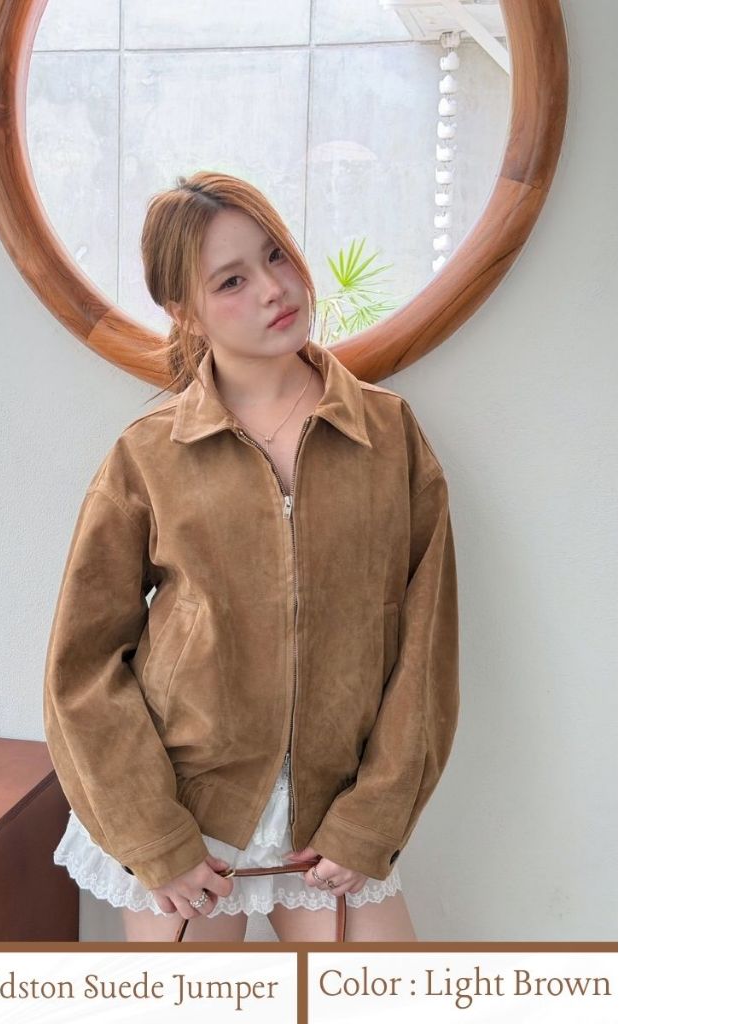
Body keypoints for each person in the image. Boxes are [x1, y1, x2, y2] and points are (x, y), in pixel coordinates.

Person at [43, 171, 460, 942]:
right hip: (188, 816)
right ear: (184, 311)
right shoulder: (149, 455)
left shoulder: (388, 435)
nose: (274, 289)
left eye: (275, 256)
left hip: (335, 818)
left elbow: (426, 650)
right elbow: (82, 668)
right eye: (231, 280)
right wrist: (154, 837)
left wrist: (371, 817)